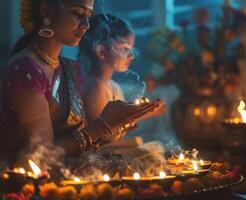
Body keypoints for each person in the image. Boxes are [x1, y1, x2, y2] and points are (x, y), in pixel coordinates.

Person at [0, 0, 158, 164]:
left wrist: (118, 123)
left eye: (89, 15)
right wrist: (103, 125)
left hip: (71, 169)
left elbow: (80, 142)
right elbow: (43, 156)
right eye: (78, 13)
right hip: (28, 181)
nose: (86, 24)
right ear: (46, 11)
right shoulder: (27, 69)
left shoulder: (70, 68)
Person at [78, 14, 165, 137]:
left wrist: (135, 116)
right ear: (101, 50)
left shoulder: (113, 87)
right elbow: (100, 138)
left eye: (131, 49)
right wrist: (133, 117)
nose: (132, 56)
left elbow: (115, 129)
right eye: (124, 48)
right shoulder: (94, 86)